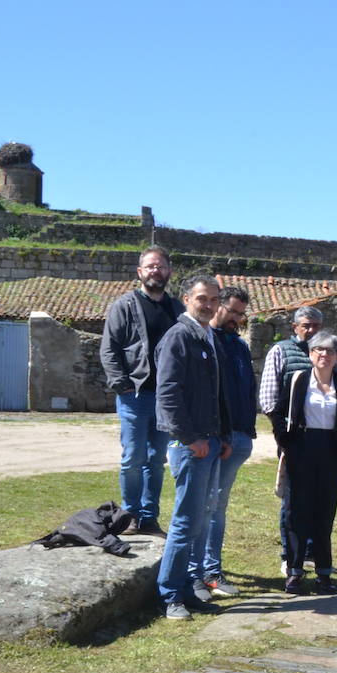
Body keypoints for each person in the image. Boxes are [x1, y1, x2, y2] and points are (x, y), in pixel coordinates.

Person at [154, 276, 231, 621]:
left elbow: (217, 394)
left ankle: (187, 587)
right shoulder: (179, 336)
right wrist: (189, 438)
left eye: (214, 299)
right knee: (185, 522)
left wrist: (222, 436)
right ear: (186, 299)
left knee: (199, 520)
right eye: (202, 298)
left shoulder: (208, 336)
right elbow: (168, 394)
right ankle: (170, 596)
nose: (209, 304)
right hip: (191, 445)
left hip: (210, 442)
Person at [99, 245, 184, 537]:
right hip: (134, 394)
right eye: (150, 266)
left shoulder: (177, 309)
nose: (155, 271)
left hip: (166, 398)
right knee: (133, 458)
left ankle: (149, 518)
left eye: (160, 266)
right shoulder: (125, 305)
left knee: (156, 460)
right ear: (140, 272)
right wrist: (120, 383)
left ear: (169, 271)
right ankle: (129, 515)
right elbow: (109, 348)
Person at [271, 330, 337, 595]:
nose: (324, 355)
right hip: (302, 449)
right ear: (310, 354)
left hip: (332, 452)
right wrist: (286, 442)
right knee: (298, 511)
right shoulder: (298, 380)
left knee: (324, 512)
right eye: (318, 350)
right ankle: (295, 572)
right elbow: (278, 411)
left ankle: (324, 574)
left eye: (330, 351)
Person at [190, 286, 256, 602]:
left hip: (239, 437)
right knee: (205, 507)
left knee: (218, 506)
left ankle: (210, 572)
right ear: (217, 306)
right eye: (233, 312)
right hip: (216, 438)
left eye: (242, 314)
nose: (237, 319)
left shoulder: (239, 346)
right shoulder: (204, 341)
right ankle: (199, 575)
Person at [259, 306, 324, 573]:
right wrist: (282, 435)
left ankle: (310, 551)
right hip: (293, 438)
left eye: (316, 326)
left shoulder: (326, 352)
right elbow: (268, 398)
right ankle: (290, 554)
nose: (311, 331)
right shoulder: (281, 351)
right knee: (293, 499)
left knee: (319, 497)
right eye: (306, 325)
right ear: (294, 326)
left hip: (322, 439)